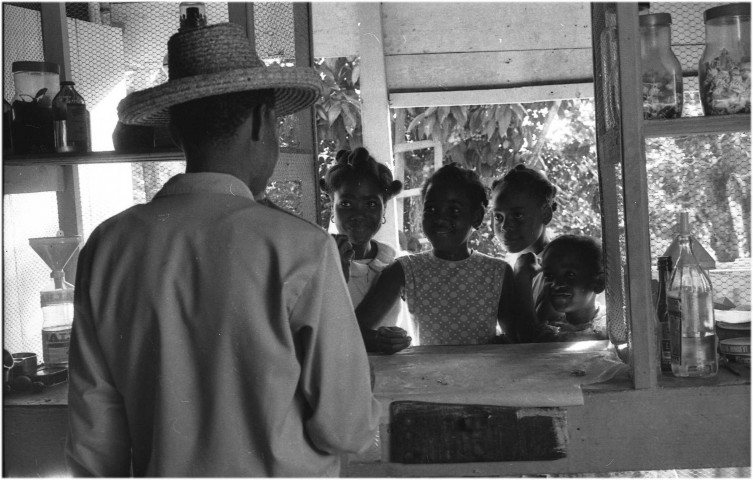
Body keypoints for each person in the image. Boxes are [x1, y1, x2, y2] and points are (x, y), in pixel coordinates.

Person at [65, 23, 380, 477]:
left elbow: (95, 445)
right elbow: (346, 429)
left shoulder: (108, 246)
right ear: (260, 121)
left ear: (176, 130)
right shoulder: (300, 248)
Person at [356, 163, 533, 346]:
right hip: (428, 375)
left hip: (483, 374)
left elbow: (517, 342)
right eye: (431, 209)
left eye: (454, 210)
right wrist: (382, 340)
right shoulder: (403, 269)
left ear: (477, 216)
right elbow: (354, 330)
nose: (440, 218)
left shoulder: (498, 272)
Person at [319, 147, 411, 353]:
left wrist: (396, 339)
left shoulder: (393, 264)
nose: (358, 214)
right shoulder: (315, 260)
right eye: (346, 203)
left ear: (384, 208)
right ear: (332, 206)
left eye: (371, 204)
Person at [490, 164, 560, 338]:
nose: (505, 226)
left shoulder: (558, 269)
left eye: (518, 216)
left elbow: (530, 341)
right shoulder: (513, 262)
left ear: (545, 214)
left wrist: (522, 276)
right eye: (498, 217)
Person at [536, 235, 608, 342]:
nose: (556, 284)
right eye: (549, 276)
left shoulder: (609, 328)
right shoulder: (551, 330)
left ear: (599, 283)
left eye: (570, 275)